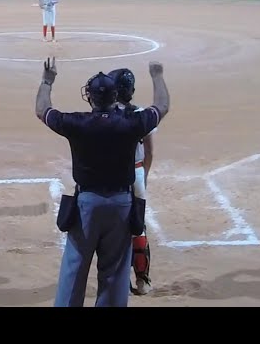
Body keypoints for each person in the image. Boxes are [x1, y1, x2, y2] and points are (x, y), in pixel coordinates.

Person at [36, 57, 170, 307]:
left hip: (86, 206)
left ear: (91, 98)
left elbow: (42, 110)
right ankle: (141, 280)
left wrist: (47, 81)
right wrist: (157, 75)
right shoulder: (133, 123)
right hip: (122, 205)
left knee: (74, 270)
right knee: (115, 274)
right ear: (115, 95)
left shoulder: (77, 123)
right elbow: (161, 105)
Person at [109, 68, 156, 296]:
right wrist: (143, 176)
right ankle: (142, 281)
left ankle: (119, 281)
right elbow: (149, 152)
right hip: (136, 173)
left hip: (114, 176)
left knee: (114, 229)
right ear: (132, 91)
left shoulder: (105, 114)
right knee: (138, 227)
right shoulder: (140, 114)